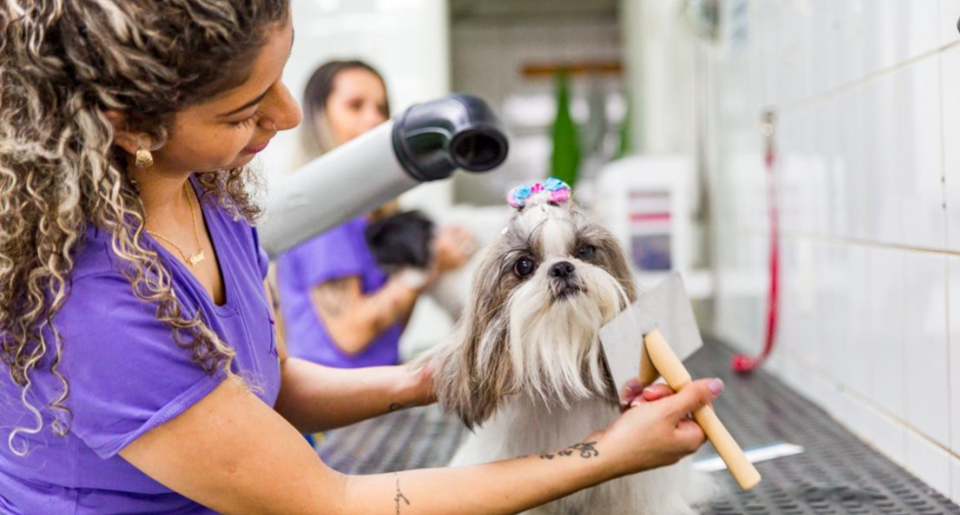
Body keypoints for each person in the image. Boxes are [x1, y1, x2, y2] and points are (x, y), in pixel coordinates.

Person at [0, 2, 724, 514]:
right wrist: (608, 453)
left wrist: (426, 377)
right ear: (133, 125)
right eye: (245, 108)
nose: (290, 115)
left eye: (281, 78)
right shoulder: (93, 305)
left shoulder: (208, 198)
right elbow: (333, 502)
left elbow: (260, 385)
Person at [275, 60, 474, 369]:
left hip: (374, 381)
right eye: (355, 106)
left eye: (381, 108)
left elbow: (390, 332)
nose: (374, 119)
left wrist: (424, 257)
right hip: (335, 393)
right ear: (319, 117)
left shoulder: (365, 213)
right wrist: (428, 265)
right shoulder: (323, 213)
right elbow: (351, 335)